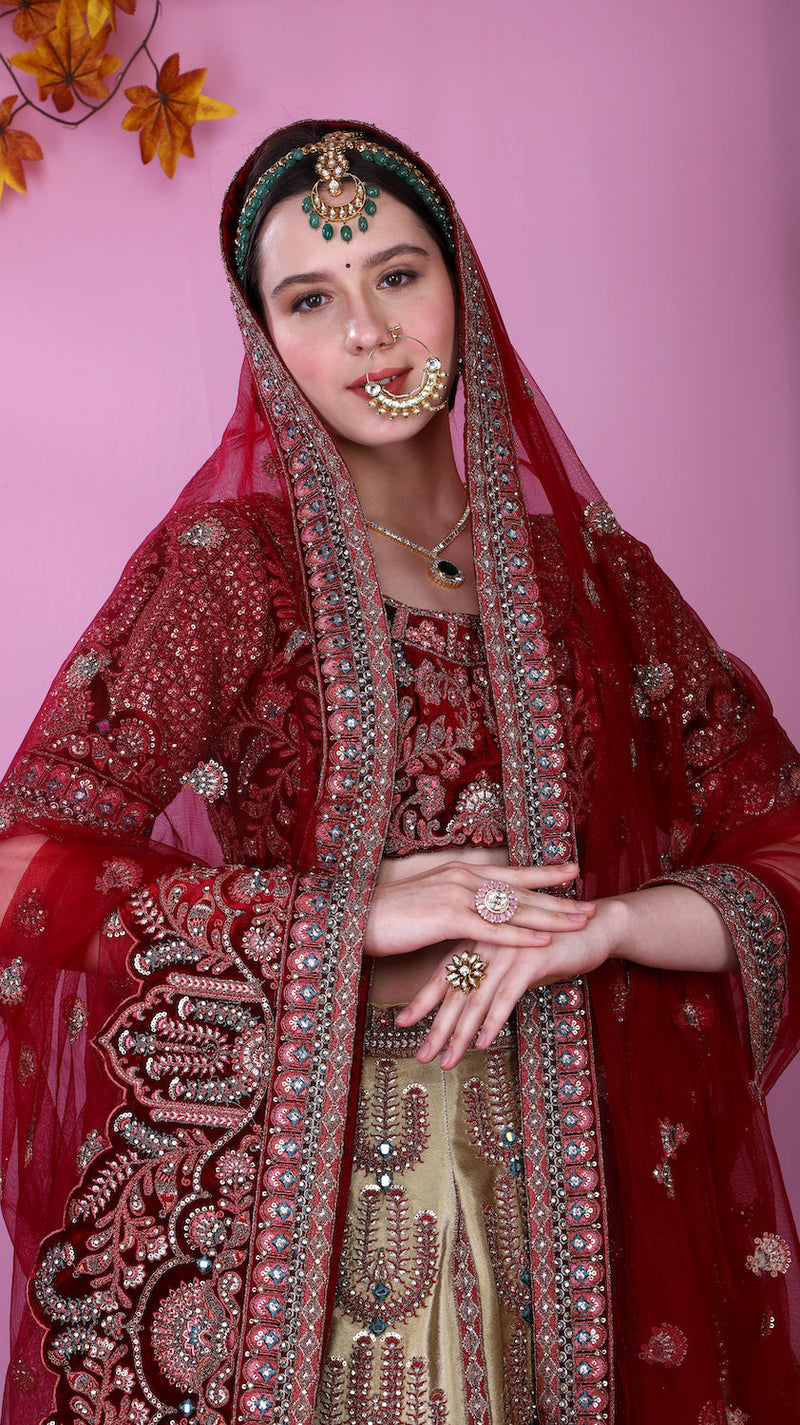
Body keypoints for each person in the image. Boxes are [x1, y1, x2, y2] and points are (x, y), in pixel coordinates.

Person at [0, 119, 798, 1425]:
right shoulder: (229, 570)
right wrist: (348, 917)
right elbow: (29, 860)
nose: (368, 331)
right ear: (265, 339)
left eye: (398, 273)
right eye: (312, 297)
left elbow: (781, 834)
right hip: (297, 1226)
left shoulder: (596, 583)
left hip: (581, 1189)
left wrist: (603, 930)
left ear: (463, 287)